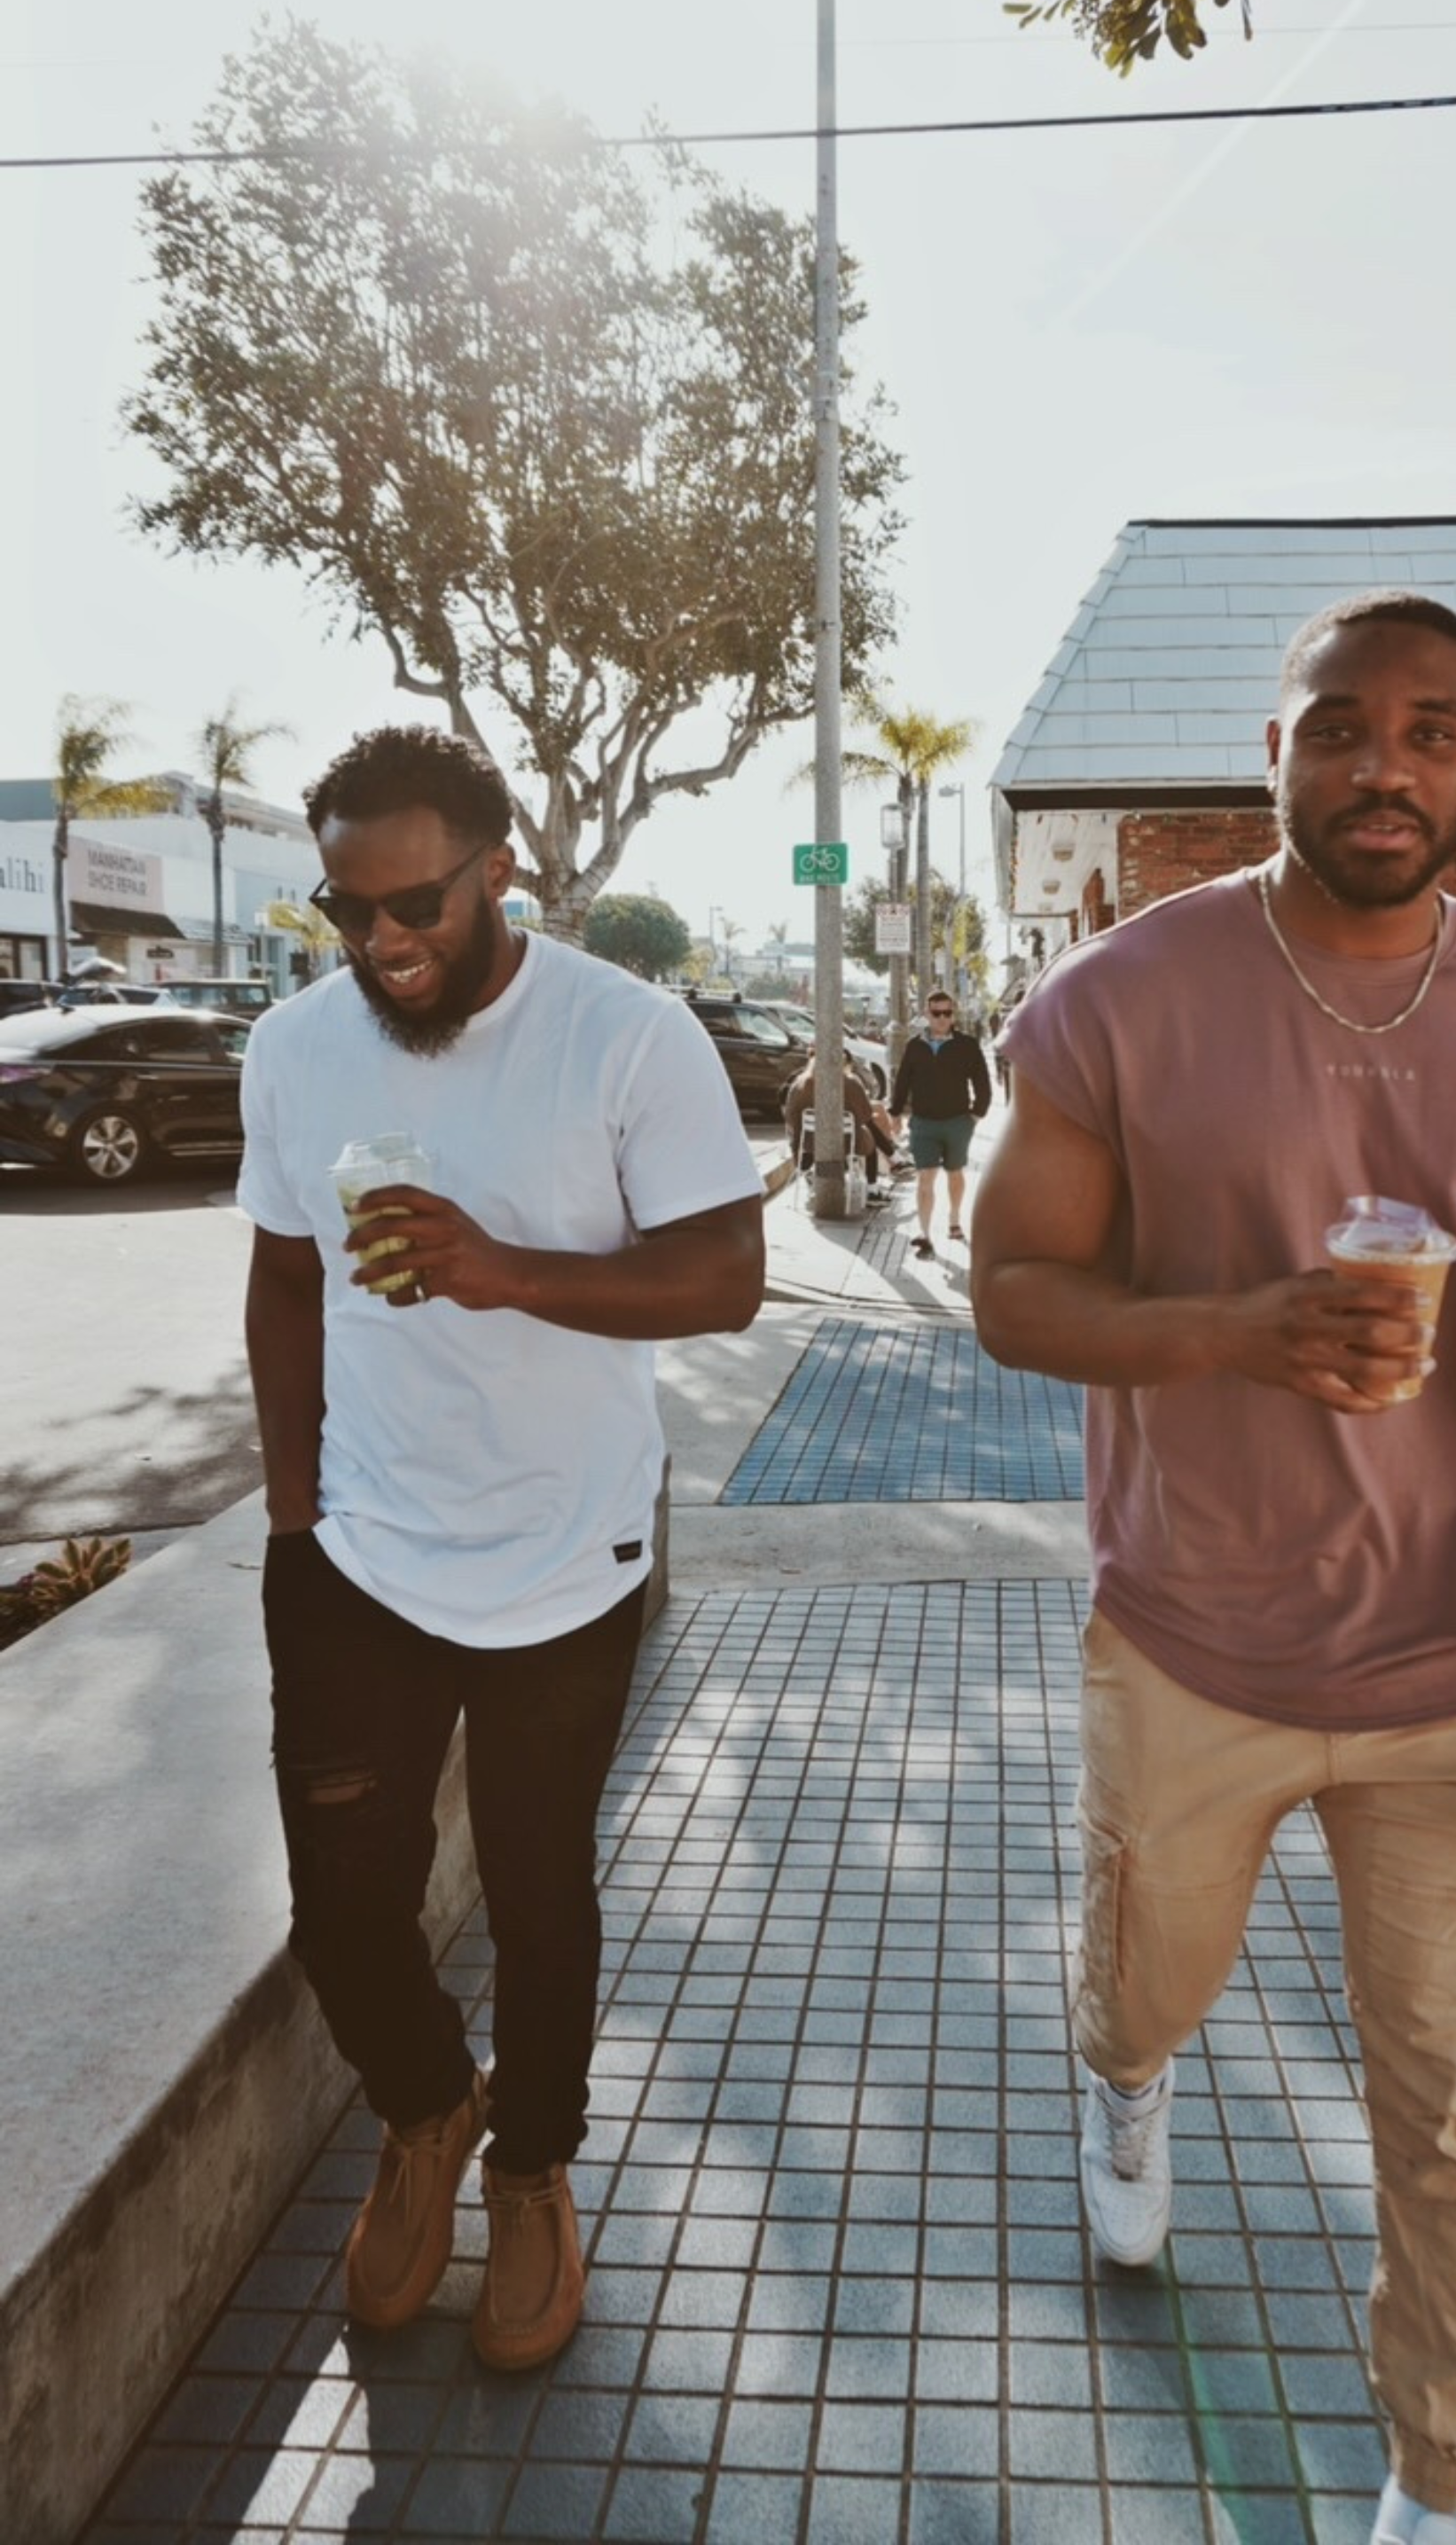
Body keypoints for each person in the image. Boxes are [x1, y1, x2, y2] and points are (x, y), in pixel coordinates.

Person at [971, 593, 1456, 2545]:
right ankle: (1124, 2080)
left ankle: (1434, 2488)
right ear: (1273, 749)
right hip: (1196, 1644)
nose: (1384, 766)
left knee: (1449, 2109)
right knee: (1144, 1988)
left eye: (1431, 731)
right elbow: (1012, 1293)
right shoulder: (1119, 998)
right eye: (1339, 726)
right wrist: (1247, 1328)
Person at [239, 725, 764, 2373]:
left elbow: (724, 1278)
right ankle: (426, 2116)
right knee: (342, 1909)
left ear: (500, 870)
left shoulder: (628, 1035)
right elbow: (279, 1274)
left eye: (418, 903)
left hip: (563, 1551)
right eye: (349, 909)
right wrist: (292, 1511)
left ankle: (532, 2170)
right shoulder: (295, 1049)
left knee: (541, 1902)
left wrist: (505, 1270)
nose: (386, 941)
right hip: (359, 1555)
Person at [888, 991, 992, 1259]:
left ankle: (955, 1220)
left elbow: (982, 1083)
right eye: (937, 1013)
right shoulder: (915, 1046)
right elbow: (902, 1082)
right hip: (923, 1124)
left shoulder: (967, 1045)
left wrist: (976, 1115)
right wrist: (895, 1113)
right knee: (925, 1177)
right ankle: (925, 1234)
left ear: (953, 1014)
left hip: (958, 1122)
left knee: (955, 1173)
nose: (943, 1018)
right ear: (927, 1014)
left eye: (947, 1013)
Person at [783, 1048, 893, 1202]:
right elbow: (866, 1114)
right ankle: (872, 1190)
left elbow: (789, 1117)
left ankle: (810, 1174)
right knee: (870, 1139)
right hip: (848, 1144)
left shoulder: (799, 1085)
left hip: (808, 1144)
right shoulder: (851, 1083)